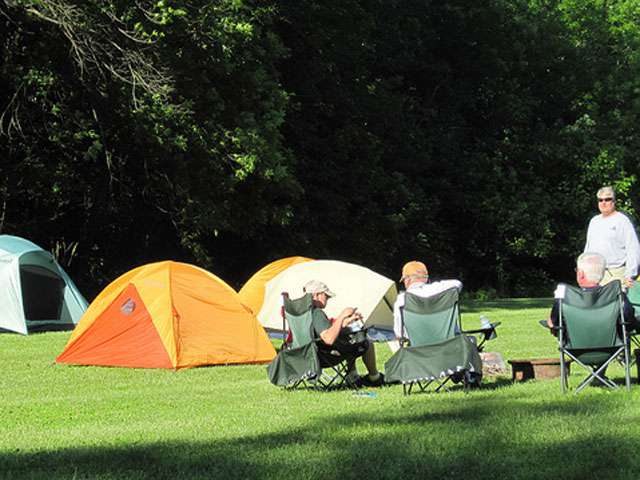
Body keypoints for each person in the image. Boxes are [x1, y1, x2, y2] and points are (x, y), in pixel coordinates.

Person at [304, 279, 384, 387]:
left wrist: (344, 321)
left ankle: (353, 376)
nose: (328, 299)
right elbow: (328, 339)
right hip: (323, 356)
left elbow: (324, 330)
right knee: (364, 342)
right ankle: (374, 377)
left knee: (347, 340)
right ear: (316, 295)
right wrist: (343, 315)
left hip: (305, 355)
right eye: (326, 296)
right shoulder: (316, 313)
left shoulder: (302, 312)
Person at [546, 252, 635, 329]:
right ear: (603, 274)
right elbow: (629, 320)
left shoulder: (566, 297)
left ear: (580, 274)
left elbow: (554, 323)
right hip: (612, 346)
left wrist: (550, 321)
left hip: (575, 346)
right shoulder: (617, 296)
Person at [584, 186, 640, 289]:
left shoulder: (622, 221)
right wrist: (583, 270)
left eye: (607, 199)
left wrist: (630, 274)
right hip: (594, 275)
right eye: (600, 200)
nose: (603, 202)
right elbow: (588, 249)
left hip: (616, 274)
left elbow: (633, 248)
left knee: (616, 304)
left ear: (614, 201)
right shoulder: (594, 221)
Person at [392, 260, 462, 340]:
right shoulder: (441, 289)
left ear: (407, 279)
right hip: (448, 345)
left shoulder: (402, 299)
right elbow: (457, 283)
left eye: (404, 280)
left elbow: (399, 333)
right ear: (426, 278)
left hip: (419, 348)